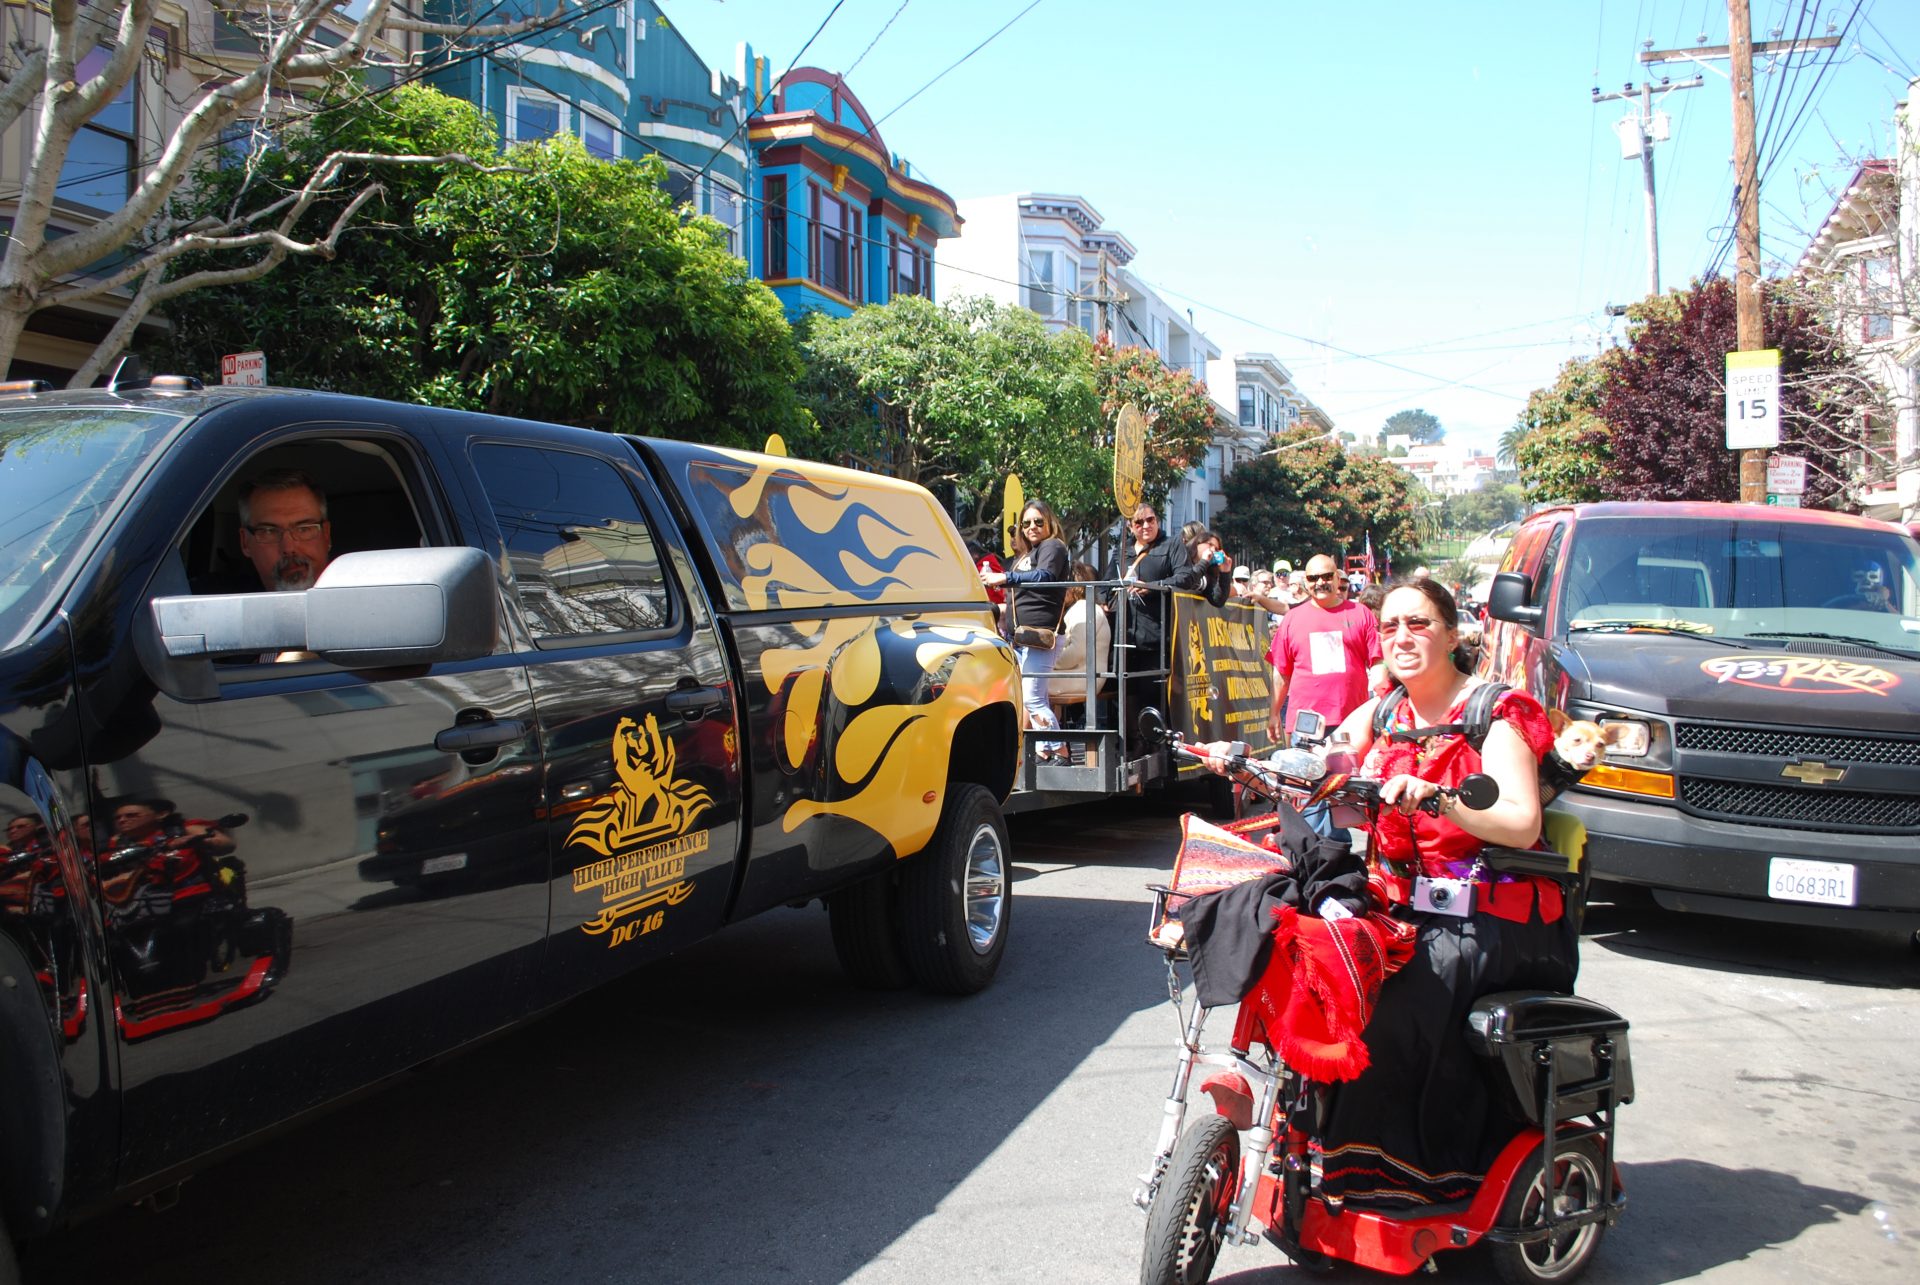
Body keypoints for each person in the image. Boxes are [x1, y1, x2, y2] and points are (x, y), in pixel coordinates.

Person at [1307, 579, 1575, 1212]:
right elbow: (1330, 761)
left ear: (1453, 635)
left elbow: (1521, 823)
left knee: (1398, 1008)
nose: (1403, 637)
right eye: (1392, 625)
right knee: (1312, 963)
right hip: (1401, 909)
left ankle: (1411, 1183)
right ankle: (1322, 1150)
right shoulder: (1385, 712)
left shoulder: (1494, 713)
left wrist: (1442, 798)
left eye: (1420, 624)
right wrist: (1261, 766)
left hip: (1487, 923)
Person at [982, 500, 1071, 761]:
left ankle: (1061, 751)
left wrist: (1006, 578)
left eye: (1038, 521)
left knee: (1033, 698)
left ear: (1049, 523)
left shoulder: (1053, 546)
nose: (1032, 527)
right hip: (1022, 637)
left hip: (1040, 636)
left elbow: (1045, 577)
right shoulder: (1028, 553)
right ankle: (1044, 751)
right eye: (1027, 523)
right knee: (1032, 696)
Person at [1266, 553, 1382, 746]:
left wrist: (1382, 706)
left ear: (1338, 579)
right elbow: (1281, 674)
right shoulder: (1292, 619)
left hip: (1352, 720)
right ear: (1306, 582)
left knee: (1349, 776)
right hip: (1306, 725)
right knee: (1305, 777)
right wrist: (1274, 713)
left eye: (1327, 576)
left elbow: (1378, 664)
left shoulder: (1361, 614)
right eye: (1313, 578)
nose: (1320, 582)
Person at [1106, 503, 1200, 738]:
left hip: (1157, 635)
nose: (1146, 525)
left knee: (1153, 696)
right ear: (1130, 526)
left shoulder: (1171, 545)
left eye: (1150, 520)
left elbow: (1185, 577)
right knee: (1125, 695)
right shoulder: (1122, 552)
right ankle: (1131, 743)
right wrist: (1102, 601)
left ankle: (1157, 746)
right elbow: (1106, 582)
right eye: (1139, 522)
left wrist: (1153, 587)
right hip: (1124, 635)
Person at [1049, 563, 1111, 753]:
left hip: (1083, 676)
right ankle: (1051, 746)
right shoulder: (1084, 608)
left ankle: (1048, 748)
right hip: (1081, 673)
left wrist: (1050, 663)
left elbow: (1076, 652)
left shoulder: (1083, 609)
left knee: (1029, 688)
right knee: (1033, 686)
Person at [237, 469, 333, 591]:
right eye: (269, 531)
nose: (288, 548)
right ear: (245, 542)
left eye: (303, 529)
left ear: (326, 535)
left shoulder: (362, 602)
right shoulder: (219, 605)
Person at [1185, 527, 1235, 608]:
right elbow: (1185, 580)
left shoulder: (1209, 574)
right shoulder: (1181, 561)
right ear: (1197, 544)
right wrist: (1204, 561)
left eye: (1216, 549)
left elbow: (1218, 600)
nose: (1213, 550)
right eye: (1210, 544)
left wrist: (1225, 572)